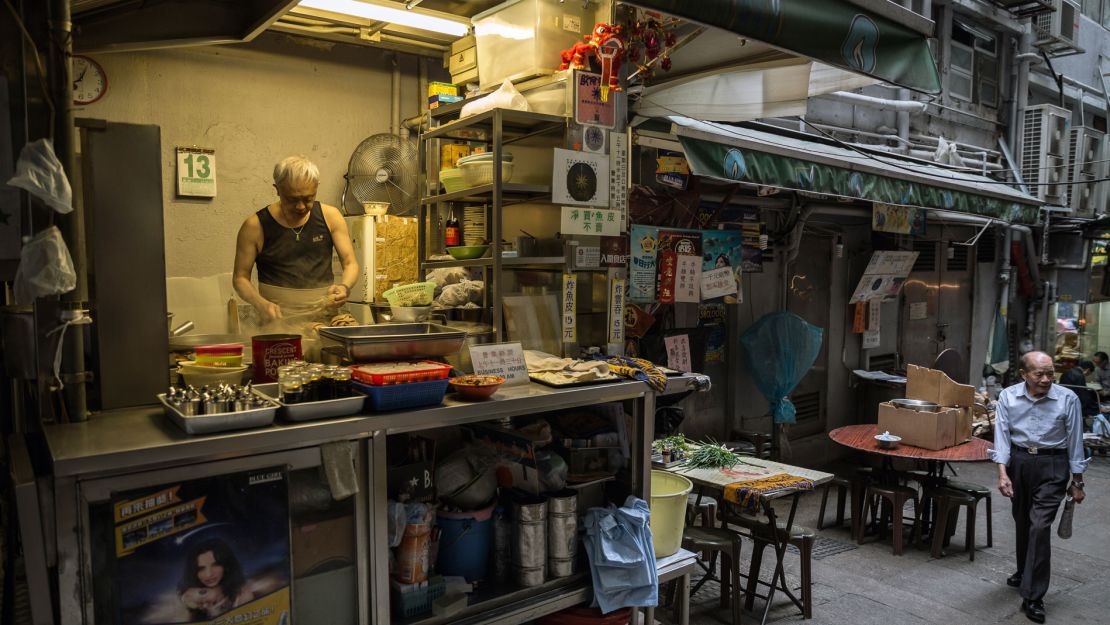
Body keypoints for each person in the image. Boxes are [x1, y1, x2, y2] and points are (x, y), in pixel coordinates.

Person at [992, 351, 1087, 623]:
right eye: (1039, 374)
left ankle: (1033, 596)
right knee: (1022, 521)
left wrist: (1077, 481)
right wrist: (1002, 473)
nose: (1046, 379)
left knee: (1039, 525)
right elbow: (1002, 437)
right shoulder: (1008, 396)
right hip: (1019, 463)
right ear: (1024, 374)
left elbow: (1076, 440)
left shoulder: (1068, 399)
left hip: (1053, 465)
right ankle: (1024, 570)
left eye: (1050, 373)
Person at [233, 155, 359, 322]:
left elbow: (350, 263)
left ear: (316, 187)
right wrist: (261, 304)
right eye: (292, 200)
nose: (300, 207)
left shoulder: (331, 216)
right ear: (277, 189)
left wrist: (344, 287)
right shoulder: (255, 226)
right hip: (277, 322)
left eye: (308, 199)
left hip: (324, 318)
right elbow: (240, 278)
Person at [178, 538, 254, 619]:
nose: (209, 574)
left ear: (226, 564)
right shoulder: (189, 593)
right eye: (201, 569)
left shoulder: (242, 593)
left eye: (215, 565)